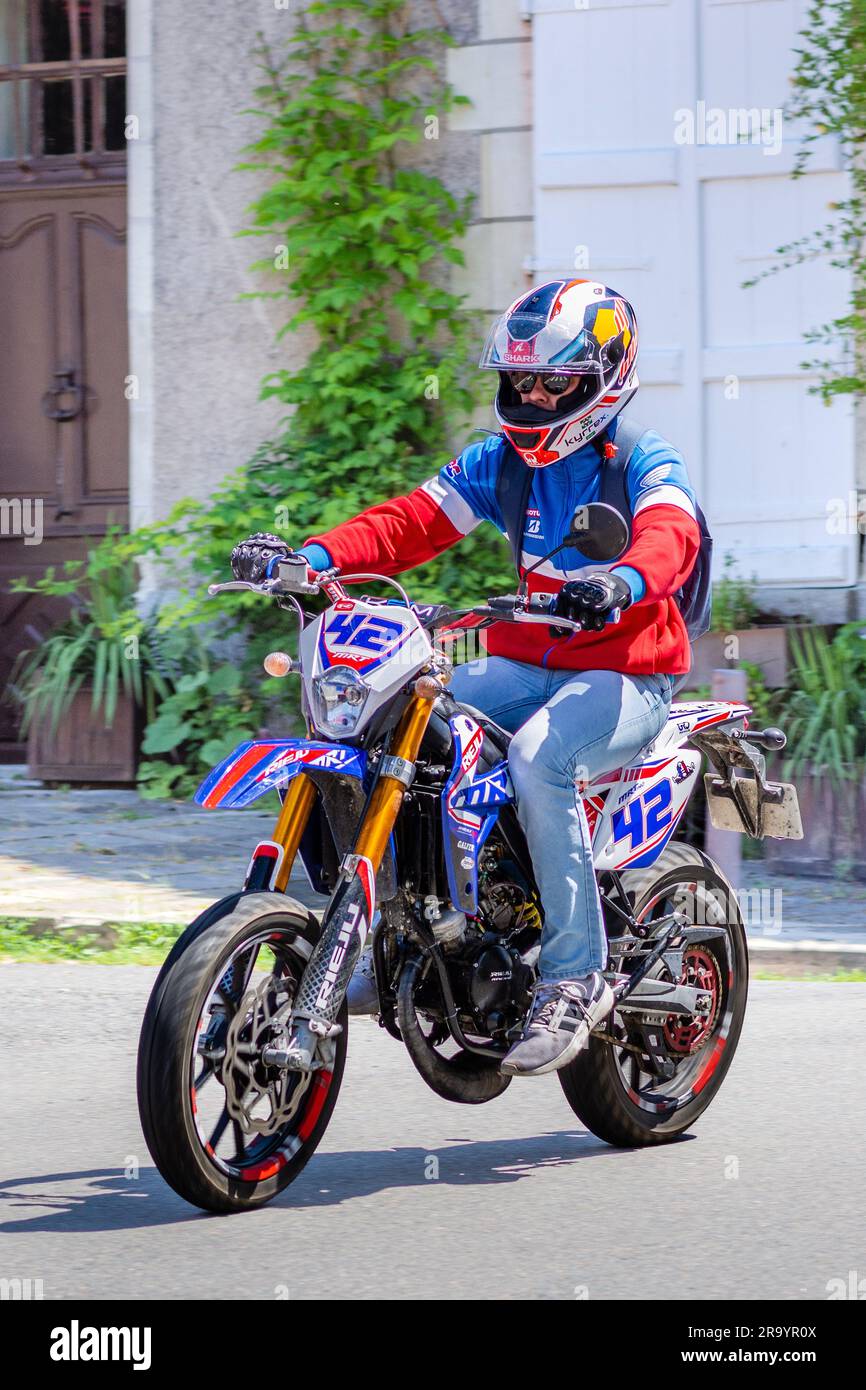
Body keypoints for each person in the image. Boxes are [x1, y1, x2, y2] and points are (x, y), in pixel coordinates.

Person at [230, 279, 701, 1077]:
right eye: (521, 379)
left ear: (602, 381)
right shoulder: (500, 463)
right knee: (403, 717)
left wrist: (620, 581)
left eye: (554, 380)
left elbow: (672, 533)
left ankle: (573, 975)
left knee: (540, 757)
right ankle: (423, 929)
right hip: (525, 663)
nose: (533, 394)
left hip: (626, 675)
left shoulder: (641, 459)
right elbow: (410, 521)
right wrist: (310, 559)